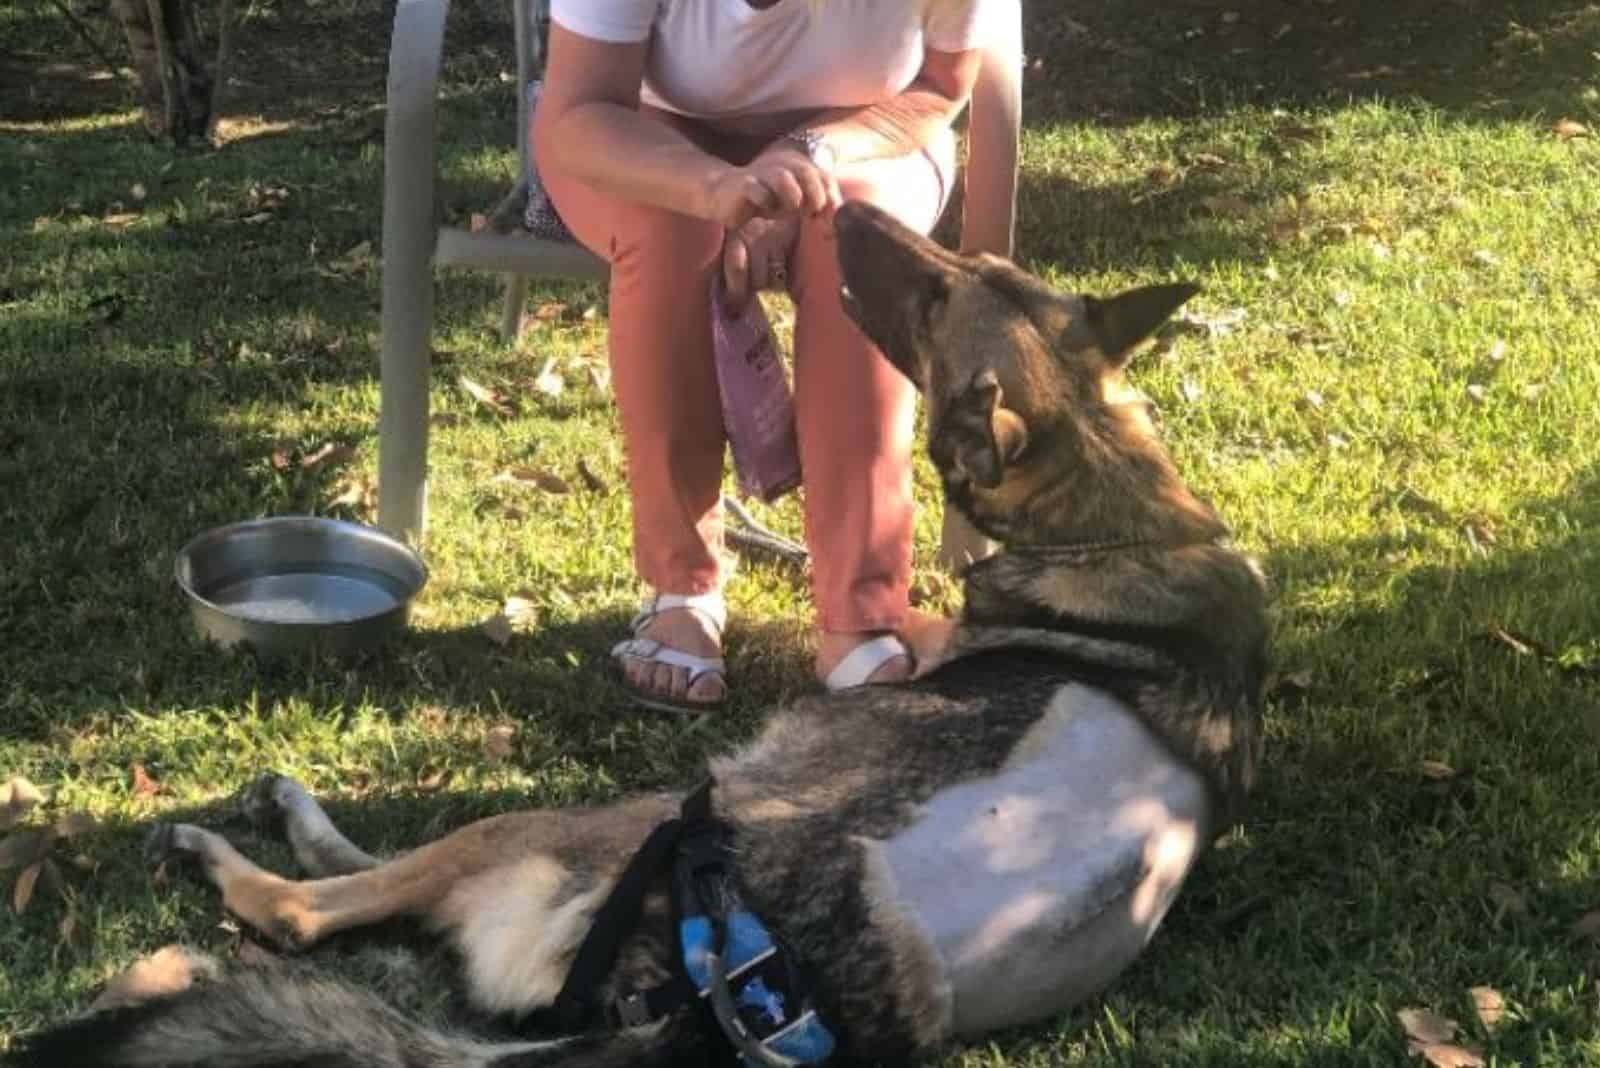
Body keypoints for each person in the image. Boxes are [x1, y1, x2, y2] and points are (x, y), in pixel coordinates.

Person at [534, 0, 992, 713]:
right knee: (670, 230)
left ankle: (859, 612)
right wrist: (716, 191)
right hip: (643, 127)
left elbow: (939, 84)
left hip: (867, 136)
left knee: (854, 236)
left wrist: (808, 161)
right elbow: (579, 113)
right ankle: (679, 587)